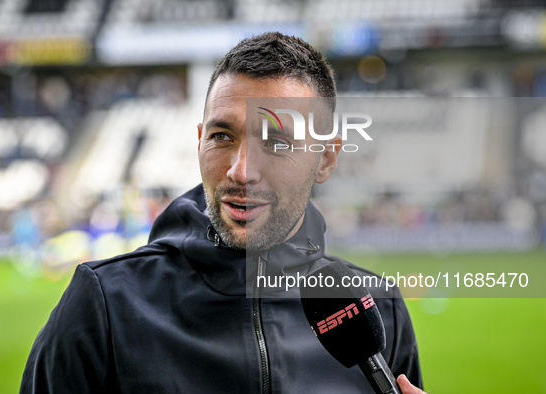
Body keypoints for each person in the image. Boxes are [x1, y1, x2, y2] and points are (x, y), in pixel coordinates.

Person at [21, 32, 425, 394]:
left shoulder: (378, 308)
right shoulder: (106, 306)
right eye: (222, 136)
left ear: (325, 158)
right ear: (200, 141)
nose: (241, 171)